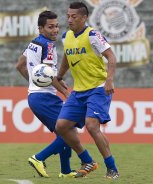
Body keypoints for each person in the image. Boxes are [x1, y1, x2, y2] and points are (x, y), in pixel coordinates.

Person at [55, 2, 119, 179]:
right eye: (68, 16)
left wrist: (109, 80)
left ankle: (112, 168)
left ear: (84, 18)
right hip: (78, 91)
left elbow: (111, 57)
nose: (70, 19)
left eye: (74, 16)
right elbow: (67, 57)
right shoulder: (66, 36)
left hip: (98, 88)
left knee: (91, 125)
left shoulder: (93, 35)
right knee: (61, 126)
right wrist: (59, 75)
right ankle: (87, 160)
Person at [16, 10, 76, 178]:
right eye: (50, 27)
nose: (55, 30)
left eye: (57, 26)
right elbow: (48, 74)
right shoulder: (48, 46)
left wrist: (33, 82)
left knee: (65, 132)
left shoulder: (34, 43)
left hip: (35, 96)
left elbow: (19, 65)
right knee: (69, 131)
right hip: (44, 97)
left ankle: (65, 171)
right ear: (41, 28)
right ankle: (38, 158)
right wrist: (65, 91)